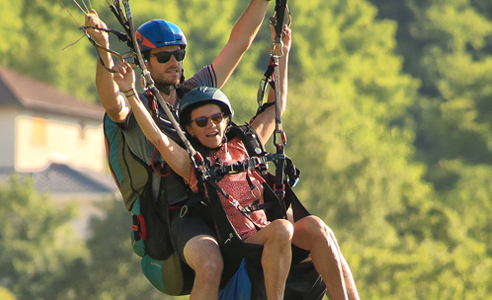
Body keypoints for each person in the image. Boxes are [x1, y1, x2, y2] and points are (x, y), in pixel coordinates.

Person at [111, 27, 361, 300]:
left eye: (217, 118)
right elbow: (159, 140)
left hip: (264, 230)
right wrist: (132, 94)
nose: (212, 126)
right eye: (202, 122)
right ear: (190, 130)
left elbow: (276, 107)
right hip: (239, 244)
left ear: (227, 121)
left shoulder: (244, 144)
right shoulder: (193, 165)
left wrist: (283, 53)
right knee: (283, 228)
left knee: (317, 227)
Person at [84, 1, 270, 299]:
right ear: (144, 62)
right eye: (164, 56)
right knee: (211, 264)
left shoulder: (194, 96)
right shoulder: (138, 105)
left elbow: (239, 44)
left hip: (217, 204)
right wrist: (103, 49)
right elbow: (111, 101)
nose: (175, 62)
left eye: (179, 54)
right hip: (174, 216)